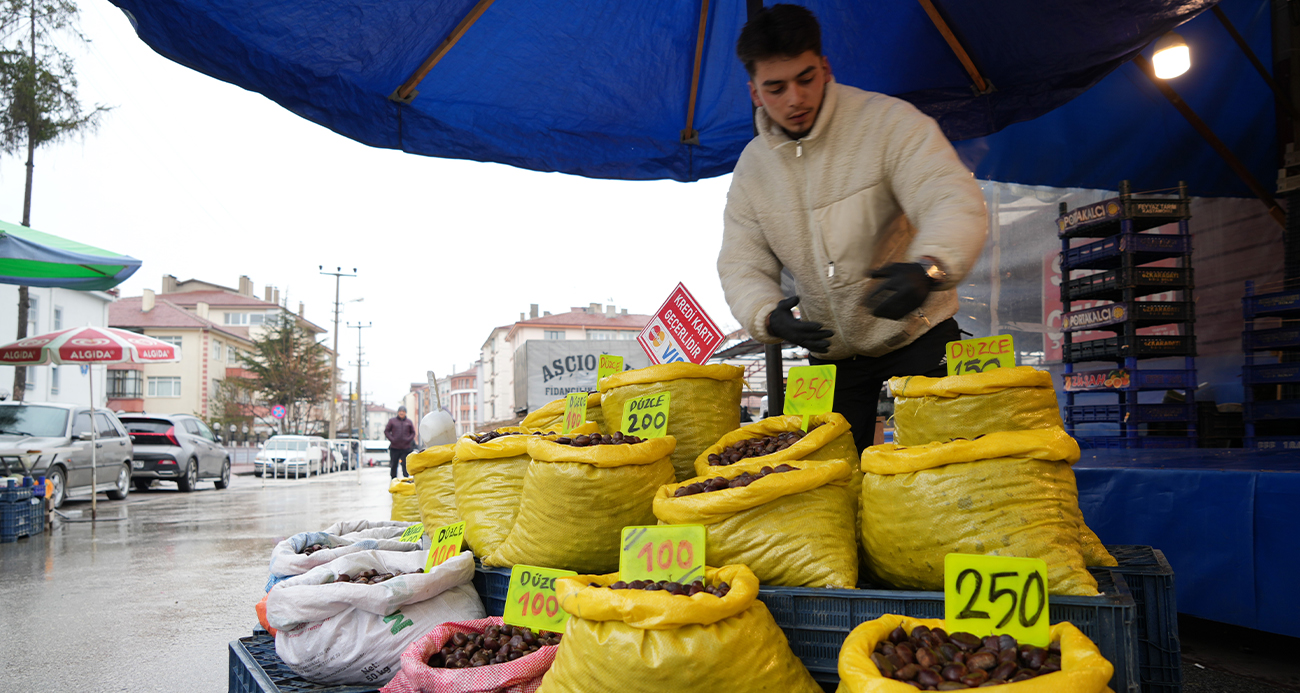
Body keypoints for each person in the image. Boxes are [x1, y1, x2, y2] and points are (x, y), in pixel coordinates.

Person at [717, 4, 988, 454]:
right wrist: (767, 314)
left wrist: (931, 268)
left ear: (825, 67)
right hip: (831, 355)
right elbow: (740, 261)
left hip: (920, 334)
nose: (795, 99)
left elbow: (950, 197)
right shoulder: (751, 170)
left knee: (948, 465)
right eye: (776, 87)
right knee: (827, 481)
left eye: (805, 78)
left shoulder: (889, 123)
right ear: (755, 93)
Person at [384, 405, 416, 479]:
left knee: (405, 465)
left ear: (405, 413)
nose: (401, 413)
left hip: (406, 448)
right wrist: (392, 439)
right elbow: (386, 431)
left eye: (403, 412)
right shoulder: (392, 421)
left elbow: (413, 433)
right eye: (400, 411)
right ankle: (393, 479)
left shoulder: (409, 422)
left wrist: (408, 440)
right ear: (398, 412)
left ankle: (406, 479)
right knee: (394, 464)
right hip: (395, 447)